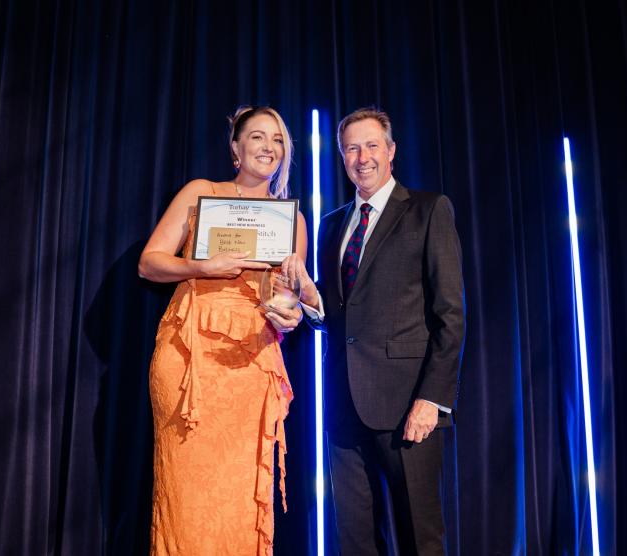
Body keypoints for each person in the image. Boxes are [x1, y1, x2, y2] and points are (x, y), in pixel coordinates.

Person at [283, 107, 465, 555]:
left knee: (419, 538)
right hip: (344, 405)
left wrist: (432, 399)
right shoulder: (331, 225)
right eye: (351, 148)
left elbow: (450, 315)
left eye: (371, 145)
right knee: (355, 540)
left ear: (391, 150)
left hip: (408, 407)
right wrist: (310, 297)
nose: (362, 157)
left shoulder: (428, 210)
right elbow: (339, 314)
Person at [139, 106, 306, 555]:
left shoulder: (291, 220)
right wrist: (201, 266)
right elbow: (149, 262)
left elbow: (286, 297)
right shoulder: (202, 192)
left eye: (277, 139)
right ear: (236, 147)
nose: (268, 147)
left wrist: (290, 314)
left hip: (250, 367)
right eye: (257, 137)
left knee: (239, 499)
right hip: (190, 363)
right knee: (186, 495)